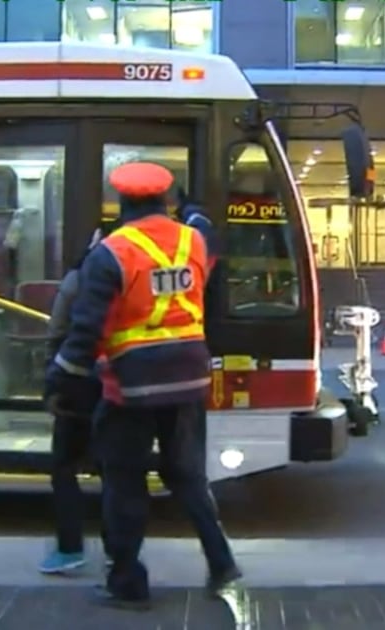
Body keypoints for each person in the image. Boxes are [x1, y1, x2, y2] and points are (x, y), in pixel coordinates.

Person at [46, 162, 240, 610]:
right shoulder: (193, 241)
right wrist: (192, 210)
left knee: (124, 483)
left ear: (121, 202)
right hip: (189, 378)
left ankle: (128, 583)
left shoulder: (110, 253)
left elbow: (86, 332)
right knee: (188, 476)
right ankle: (222, 562)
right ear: (164, 200)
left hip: (132, 387)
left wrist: (60, 381)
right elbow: (206, 231)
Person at [38, 229, 108, 575]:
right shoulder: (131, 278)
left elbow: (56, 334)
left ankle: (70, 548)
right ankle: (118, 551)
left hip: (75, 385)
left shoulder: (76, 280)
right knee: (114, 472)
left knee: (64, 467)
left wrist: (51, 384)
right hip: (116, 384)